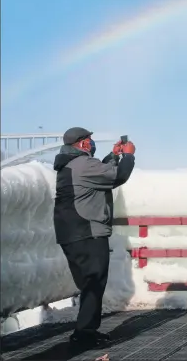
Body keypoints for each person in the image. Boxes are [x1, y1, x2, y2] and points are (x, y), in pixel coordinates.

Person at [53, 127, 136, 347]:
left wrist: (113, 156)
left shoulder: (71, 164)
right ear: (81, 144)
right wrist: (128, 155)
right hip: (87, 232)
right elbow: (118, 176)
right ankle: (84, 335)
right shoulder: (82, 164)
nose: (92, 143)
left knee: (90, 284)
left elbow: (100, 173)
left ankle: (86, 331)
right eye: (89, 140)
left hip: (73, 232)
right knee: (93, 283)